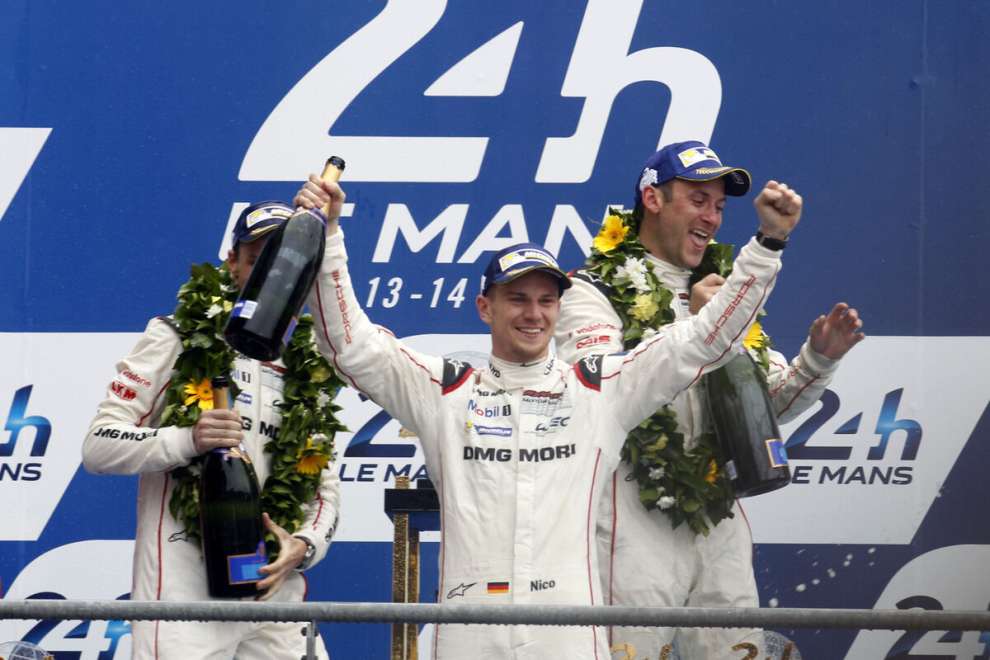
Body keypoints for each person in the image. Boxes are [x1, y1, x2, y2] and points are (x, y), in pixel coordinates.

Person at [293, 168, 802, 659]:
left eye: (545, 300)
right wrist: (329, 235)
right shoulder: (444, 390)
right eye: (516, 299)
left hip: (567, 631)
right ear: (484, 308)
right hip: (472, 627)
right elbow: (350, 346)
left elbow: (703, 340)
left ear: (559, 309)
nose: (533, 314)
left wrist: (767, 245)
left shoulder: (599, 390)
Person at [554, 141, 865, 658]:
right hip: (630, 518)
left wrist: (818, 360)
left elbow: (765, 411)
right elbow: (604, 393)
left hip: (716, 514)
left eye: (720, 206)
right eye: (699, 200)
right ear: (653, 200)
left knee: (736, 650)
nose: (713, 218)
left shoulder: (724, 292)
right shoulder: (590, 291)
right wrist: (699, 321)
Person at [82, 201, 341, 660]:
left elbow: (323, 489)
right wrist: (187, 439)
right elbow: (99, 446)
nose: (272, 272)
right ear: (232, 262)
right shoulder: (177, 336)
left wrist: (303, 546)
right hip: (186, 598)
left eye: (285, 261)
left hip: (276, 594)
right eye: (259, 257)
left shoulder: (311, 363)